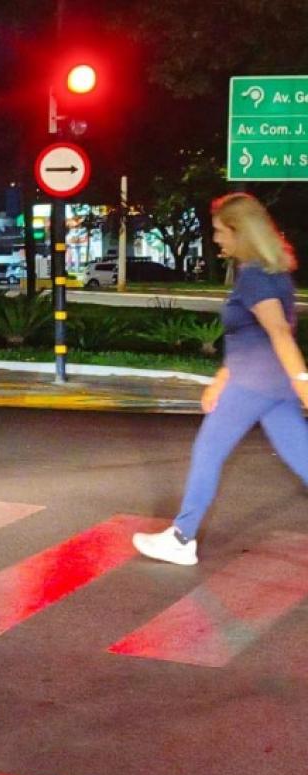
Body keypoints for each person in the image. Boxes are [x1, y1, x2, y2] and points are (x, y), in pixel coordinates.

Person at [133, 193, 308, 565]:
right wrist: (222, 378)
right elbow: (251, 335)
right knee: (303, 457)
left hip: (254, 383)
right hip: (271, 383)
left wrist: (304, 383)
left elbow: (278, 332)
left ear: (239, 231)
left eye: (218, 231)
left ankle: (181, 538)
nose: (215, 239)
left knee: (208, 452)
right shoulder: (272, 272)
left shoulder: (255, 278)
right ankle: (181, 536)